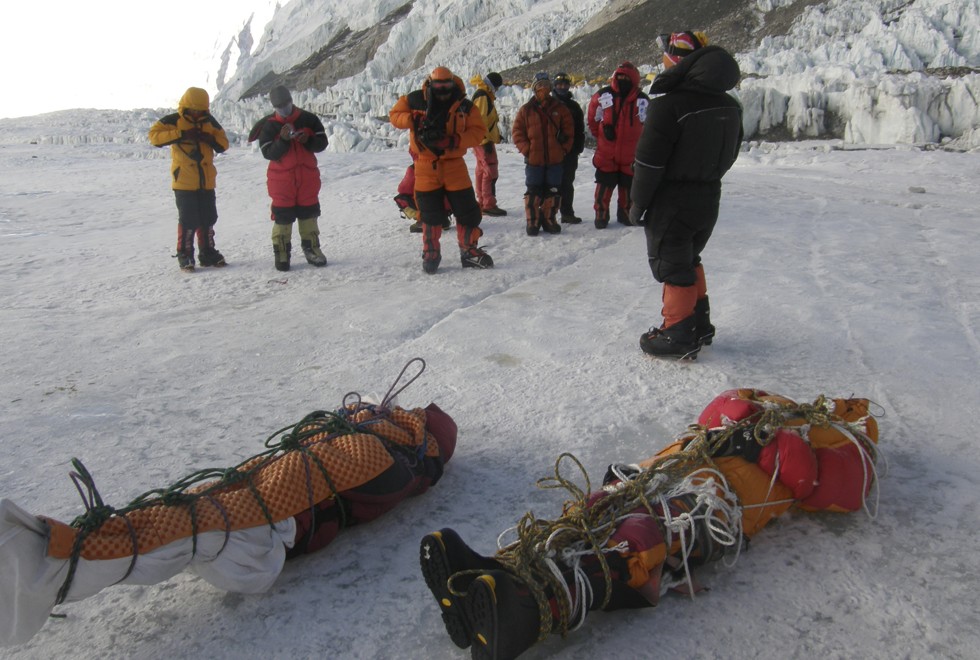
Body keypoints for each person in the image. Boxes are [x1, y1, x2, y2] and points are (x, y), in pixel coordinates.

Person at [418, 389, 881, 660]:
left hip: (716, 504)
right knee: (594, 510)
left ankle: (528, 611)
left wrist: (775, 446)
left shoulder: (845, 438)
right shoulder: (776, 405)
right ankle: (495, 571)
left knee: (639, 542)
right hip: (664, 470)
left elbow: (830, 484)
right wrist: (747, 426)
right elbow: (719, 409)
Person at [627, 32, 743, 359]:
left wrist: (638, 204)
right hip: (709, 196)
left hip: (673, 199)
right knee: (689, 258)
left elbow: (649, 162)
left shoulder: (670, 106)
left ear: (677, 61)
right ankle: (699, 324)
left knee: (673, 263)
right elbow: (731, 153)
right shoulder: (729, 105)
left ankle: (678, 332)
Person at [389, 67, 493, 274]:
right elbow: (395, 115)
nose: (443, 89)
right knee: (429, 213)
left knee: (467, 211)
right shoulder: (415, 100)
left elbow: (479, 131)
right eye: (439, 85)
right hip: (425, 165)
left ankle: (468, 251)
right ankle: (431, 253)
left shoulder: (464, 105)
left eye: (446, 85)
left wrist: (453, 140)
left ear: (453, 83)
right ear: (431, 84)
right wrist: (413, 120)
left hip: (454, 163)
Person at [148, 87, 230, 272]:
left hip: (206, 180)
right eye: (194, 109)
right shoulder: (174, 121)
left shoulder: (209, 122)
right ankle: (184, 255)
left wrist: (208, 138)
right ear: (186, 106)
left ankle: (207, 253)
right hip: (184, 181)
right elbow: (154, 136)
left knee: (208, 217)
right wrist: (181, 134)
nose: (196, 113)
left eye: (200, 110)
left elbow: (223, 143)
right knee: (188, 219)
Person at [251, 86, 329, 271]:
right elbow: (268, 152)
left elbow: (322, 142)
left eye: (285, 104)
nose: (283, 108)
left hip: (307, 178)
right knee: (282, 218)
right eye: (279, 106)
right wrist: (284, 140)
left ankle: (312, 249)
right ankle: (282, 254)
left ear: (290, 100)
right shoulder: (269, 125)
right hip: (282, 181)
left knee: (309, 215)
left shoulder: (308, 119)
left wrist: (308, 140)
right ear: (274, 106)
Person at [587, 62, 649, 229]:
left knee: (628, 187)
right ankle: (601, 215)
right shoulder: (603, 95)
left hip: (631, 154)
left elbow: (648, 125)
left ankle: (626, 214)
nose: (622, 79)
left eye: (626, 77)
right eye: (619, 76)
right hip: (607, 153)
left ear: (634, 79)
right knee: (603, 187)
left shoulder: (642, 100)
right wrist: (600, 135)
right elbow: (592, 117)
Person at [511, 73, 574, 236]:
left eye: (546, 84)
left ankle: (549, 220)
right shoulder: (526, 110)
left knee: (553, 191)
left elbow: (569, 131)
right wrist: (527, 149)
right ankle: (532, 222)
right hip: (534, 160)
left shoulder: (560, 109)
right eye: (540, 85)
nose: (543, 88)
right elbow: (517, 131)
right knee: (533, 191)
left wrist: (563, 149)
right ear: (534, 88)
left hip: (555, 159)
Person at [469, 72, 507, 216]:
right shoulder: (483, 97)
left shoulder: (483, 95)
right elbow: (481, 121)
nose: (497, 90)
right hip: (483, 141)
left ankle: (482, 202)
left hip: (480, 140)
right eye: (496, 87)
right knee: (490, 171)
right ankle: (488, 204)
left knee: (481, 170)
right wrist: (485, 141)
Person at [550, 72, 586, 224]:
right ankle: (549, 214)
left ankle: (567, 213)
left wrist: (578, 147)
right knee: (552, 184)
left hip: (570, 152)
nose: (562, 87)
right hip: (553, 151)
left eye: (565, 84)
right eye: (559, 84)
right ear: (554, 86)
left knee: (567, 183)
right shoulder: (549, 104)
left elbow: (580, 129)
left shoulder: (574, 106)